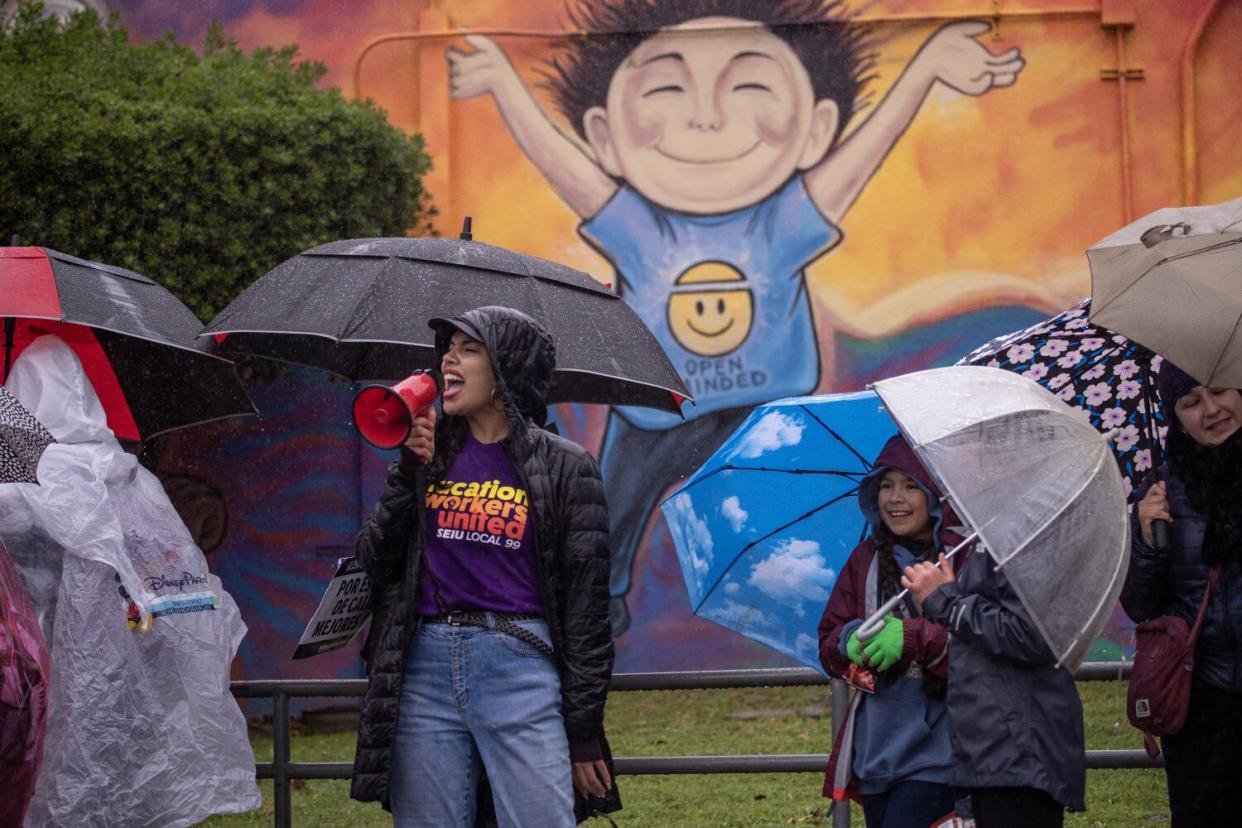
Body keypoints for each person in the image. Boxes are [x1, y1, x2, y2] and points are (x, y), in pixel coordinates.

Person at [447, 1, 1024, 633]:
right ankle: (592, 620)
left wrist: (923, 71)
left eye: (749, 85)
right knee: (605, 522)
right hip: (654, 407)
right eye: (667, 88)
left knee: (814, 517)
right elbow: (568, 169)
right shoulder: (638, 224)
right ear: (605, 134)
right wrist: (504, 84)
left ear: (817, 127)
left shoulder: (783, 220)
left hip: (766, 407)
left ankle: (839, 613)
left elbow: (856, 163)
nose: (706, 116)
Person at [349, 306, 618, 827]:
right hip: (422, 667)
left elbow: (587, 608)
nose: (449, 357)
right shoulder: (427, 456)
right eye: (447, 347)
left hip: (519, 666)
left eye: (468, 349)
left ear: (505, 371)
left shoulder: (565, 465)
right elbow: (373, 563)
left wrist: (583, 730)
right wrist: (407, 472)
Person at [902, 513, 1086, 826]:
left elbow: (1029, 633)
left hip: (1019, 751)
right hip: (995, 749)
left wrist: (944, 601)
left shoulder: (1026, 529)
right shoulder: (987, 531)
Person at [817, 434, 964, 827]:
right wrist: (848, 639)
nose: (895, 498)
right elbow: (828, 643)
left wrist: (915, 637)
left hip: (940, 753)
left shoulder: (960, 556)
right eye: (886, 485)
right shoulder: (864, 559)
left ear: (936, 495)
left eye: (911, 485)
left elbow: (977, 649)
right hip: (876, 753)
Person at [1120, 360, 1242, 828]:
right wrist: (1149, 539)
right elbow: (1142, 606)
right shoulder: (1162, 493)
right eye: (1191, 402)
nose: (1211, 410)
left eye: (1221, 391)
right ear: (1176, 417)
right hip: (1200, 703)